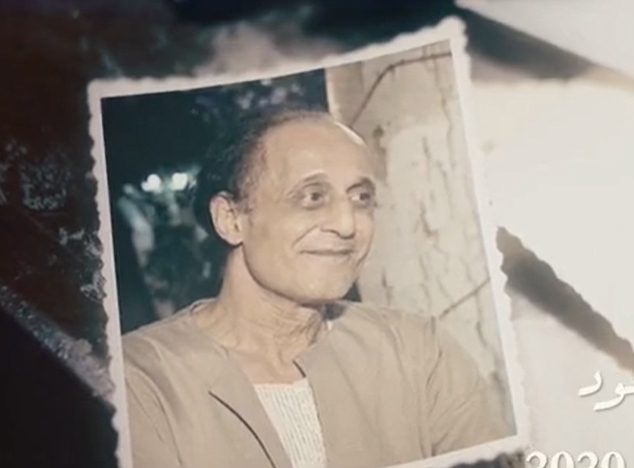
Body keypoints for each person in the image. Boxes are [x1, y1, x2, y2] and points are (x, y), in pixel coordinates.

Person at [122, 108, 508, 468]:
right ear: (231, 219)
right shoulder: (140, 379)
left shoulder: (418, 351)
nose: (347, 223)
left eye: (361, 198)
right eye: (312, 197)